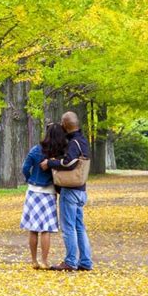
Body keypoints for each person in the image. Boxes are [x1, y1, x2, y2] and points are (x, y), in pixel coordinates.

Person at [40, 111, 93, 271]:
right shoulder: (83, 141)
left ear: (65, 124)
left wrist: (50, 163)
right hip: (81, 190)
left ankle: (70, 261)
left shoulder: (73, 143)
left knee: (68, 227)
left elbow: (68, 163)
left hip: (70, 190)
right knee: (79, 226)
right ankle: (85, 261)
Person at [20, 123, 68, 269]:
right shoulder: (59, 153)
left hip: (33, 192)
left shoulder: (36, 150)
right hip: (48, 192)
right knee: (45, 229)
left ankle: (34, 260)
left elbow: (25, 168)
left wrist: (30, 178)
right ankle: (44, 261)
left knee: (33, 229)